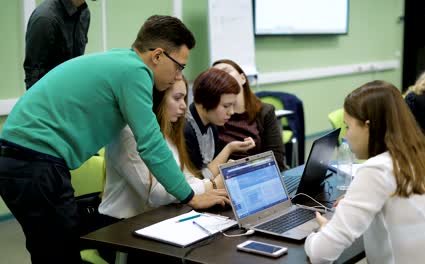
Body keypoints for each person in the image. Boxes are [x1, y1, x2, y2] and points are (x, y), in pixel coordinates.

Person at [0, 15, 228, 264]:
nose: (177, 76)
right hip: (35, 161)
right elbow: (150, 145)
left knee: (50, 251)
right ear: (158, 56)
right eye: (179, 67)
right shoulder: (136, 72)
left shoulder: (121, 62)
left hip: (23, 158)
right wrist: (190, 196)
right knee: (59, 255)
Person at [304, 80, 425, 263]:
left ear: (368, 126)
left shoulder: (376, 170)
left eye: (348, 126)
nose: (345, 135)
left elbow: (321, 254)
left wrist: (323, 231)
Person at [99, 76, 226, 219]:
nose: (184, 106)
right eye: (177, 98)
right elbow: (155, 195)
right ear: (156, 99)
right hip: (120, 225)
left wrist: (213, 185)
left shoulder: (167, 132)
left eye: (184, 99)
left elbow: (184, 179)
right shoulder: (128, 134)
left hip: (156, 218)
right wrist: (211, 185)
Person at [212, 59, 287, 171]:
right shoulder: (213, 115)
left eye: (226, 71)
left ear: (242, 78)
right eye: (216, 76)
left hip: (263, 175)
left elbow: (276, 159)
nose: (222, 77)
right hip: (226, 179)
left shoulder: (265, 111)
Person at [184, 68, 256, 180]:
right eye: (226, 106)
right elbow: (198, 181)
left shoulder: (212, 124)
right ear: (206, 101)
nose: (231, 112)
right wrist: (229, 149)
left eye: (232, 105)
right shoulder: (185, 130)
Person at [24, 0, 95, 89]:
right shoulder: (45, 18)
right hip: (50, 99)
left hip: (70, 94)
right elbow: (33, 79)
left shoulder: (84, 13)